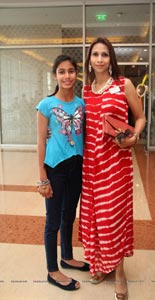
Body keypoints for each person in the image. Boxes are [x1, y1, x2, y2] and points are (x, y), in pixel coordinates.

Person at [79, 37, 146, 300]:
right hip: (90, 166)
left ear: (111, 58)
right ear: (89, 60)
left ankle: (119, 273)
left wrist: (135, 137)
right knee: (94, 218)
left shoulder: (123, 84)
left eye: (104, 54)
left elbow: (139, 118)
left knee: (113, 219)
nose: (99, 59)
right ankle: (100, 265)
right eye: (95, 54)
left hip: (116, 165)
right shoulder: (85, 90)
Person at [36, 54, 89, 291]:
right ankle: (52, 270)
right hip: (55, 168)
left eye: (71, 71)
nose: (67, 76)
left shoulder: (81, 104)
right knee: (53, 220)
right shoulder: (46, 105)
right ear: (55, 75)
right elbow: (40, 142)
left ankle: (66, 257)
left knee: (69, 215)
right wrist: (43, 178)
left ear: (76, 74)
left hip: (76, 166)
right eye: (61, 71)